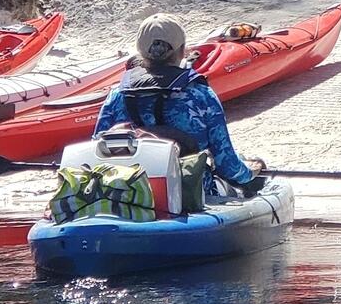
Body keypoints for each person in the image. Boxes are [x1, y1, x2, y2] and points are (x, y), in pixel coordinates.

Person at [93, 14, 267, 196]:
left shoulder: (116, 95)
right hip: (190, 195)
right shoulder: (200, 95)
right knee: (247, 181)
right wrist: (251, 171)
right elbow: (226, 165)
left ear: (139, 50)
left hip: (126, 194)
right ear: (182, 50)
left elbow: (97, 149)